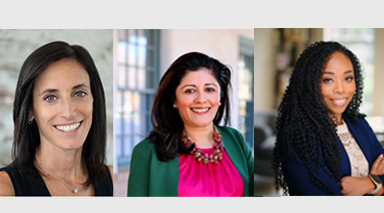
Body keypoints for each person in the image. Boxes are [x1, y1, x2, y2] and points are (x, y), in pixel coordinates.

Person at [127, 52, 254, 196]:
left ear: (220, 96)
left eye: (209, 89)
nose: (201, 99)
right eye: (190, 91)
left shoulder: (235, 139)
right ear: (174, 100)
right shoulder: (146, 152)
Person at [0, 41, 113, 196]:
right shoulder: (6, 188)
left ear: (94, 100)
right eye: (50, 97)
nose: (69, 112)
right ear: (30, 111)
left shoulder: (116, 181)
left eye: (79, 93)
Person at [272, 41, 384, 196]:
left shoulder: (359, 123)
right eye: (328, 80)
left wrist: (371, 183)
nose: (340, 89)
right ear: (309, 84)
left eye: (348, 78)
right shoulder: (299, 138)